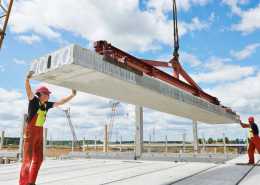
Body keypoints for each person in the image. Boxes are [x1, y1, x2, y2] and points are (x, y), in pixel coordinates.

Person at [20, 71, 77, 185]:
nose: (49, 96)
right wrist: (27, 79)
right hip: (30, 133)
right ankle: (23, 183)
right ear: (40, 94)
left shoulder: (46, 105)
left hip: (39, 133)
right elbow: (28, 91)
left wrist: (72, 95)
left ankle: (31, 182)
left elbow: (60, 102)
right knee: (27, 160)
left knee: (39, 159)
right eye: (47, 94)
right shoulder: (33, 100)